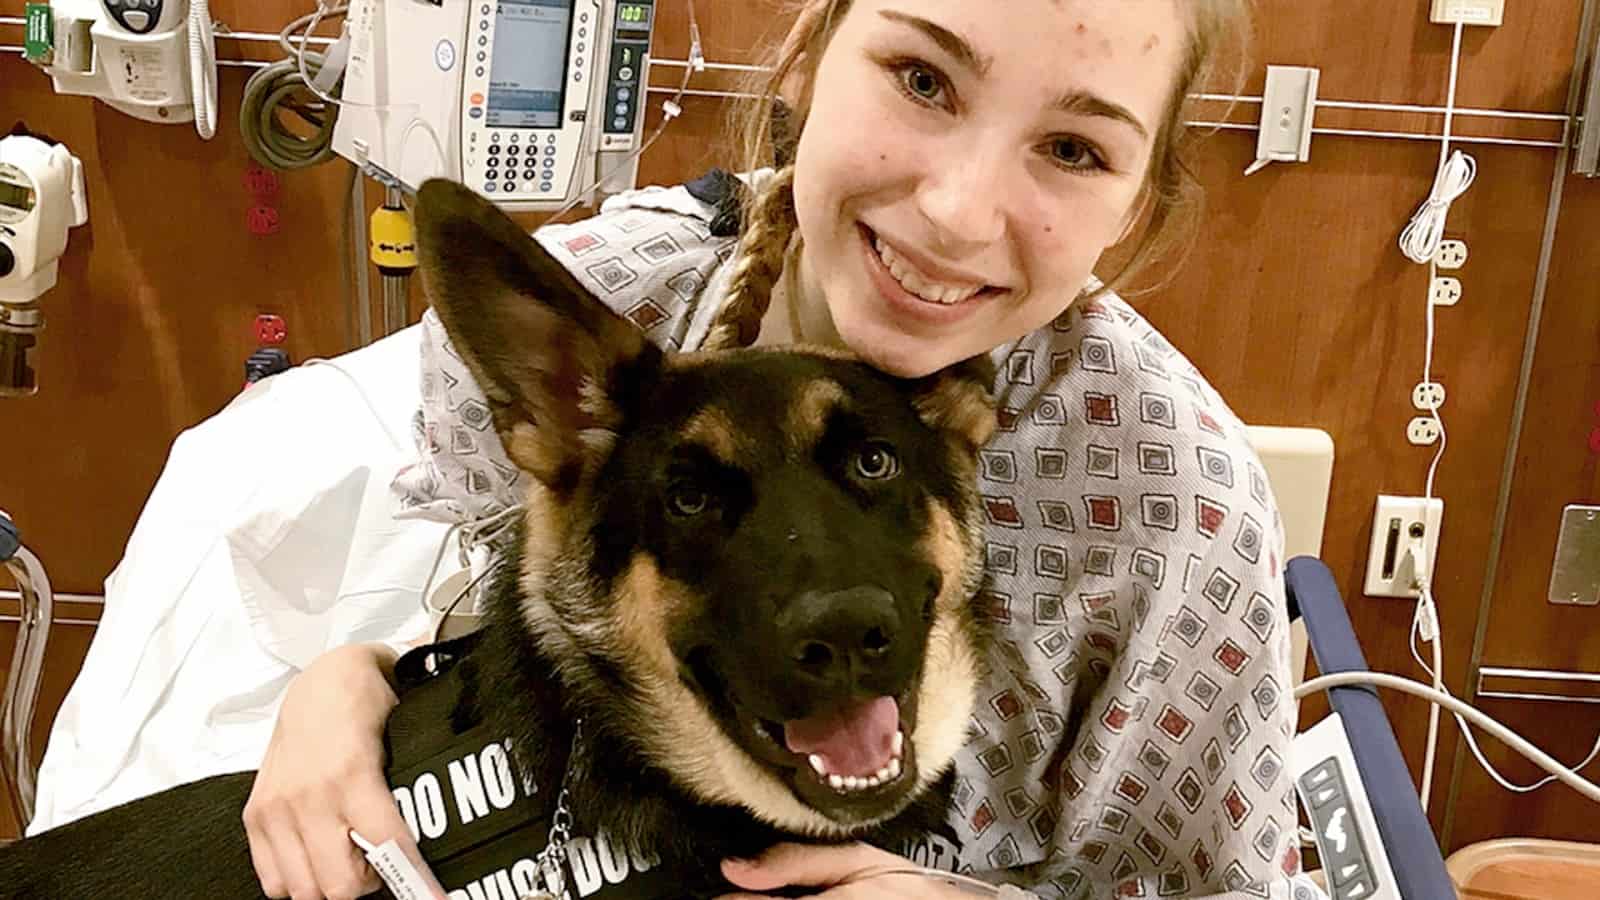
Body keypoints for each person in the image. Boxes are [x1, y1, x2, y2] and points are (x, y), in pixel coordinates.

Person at [32, 1, 1323, 898]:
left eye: (1073, 148)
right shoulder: (624, 299)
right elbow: (514, 634)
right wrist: (347, 681)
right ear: (812, 58)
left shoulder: (1172, 508)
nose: (957, 211)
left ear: (1138, 201)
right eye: (923, 80)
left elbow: (1233, 884)